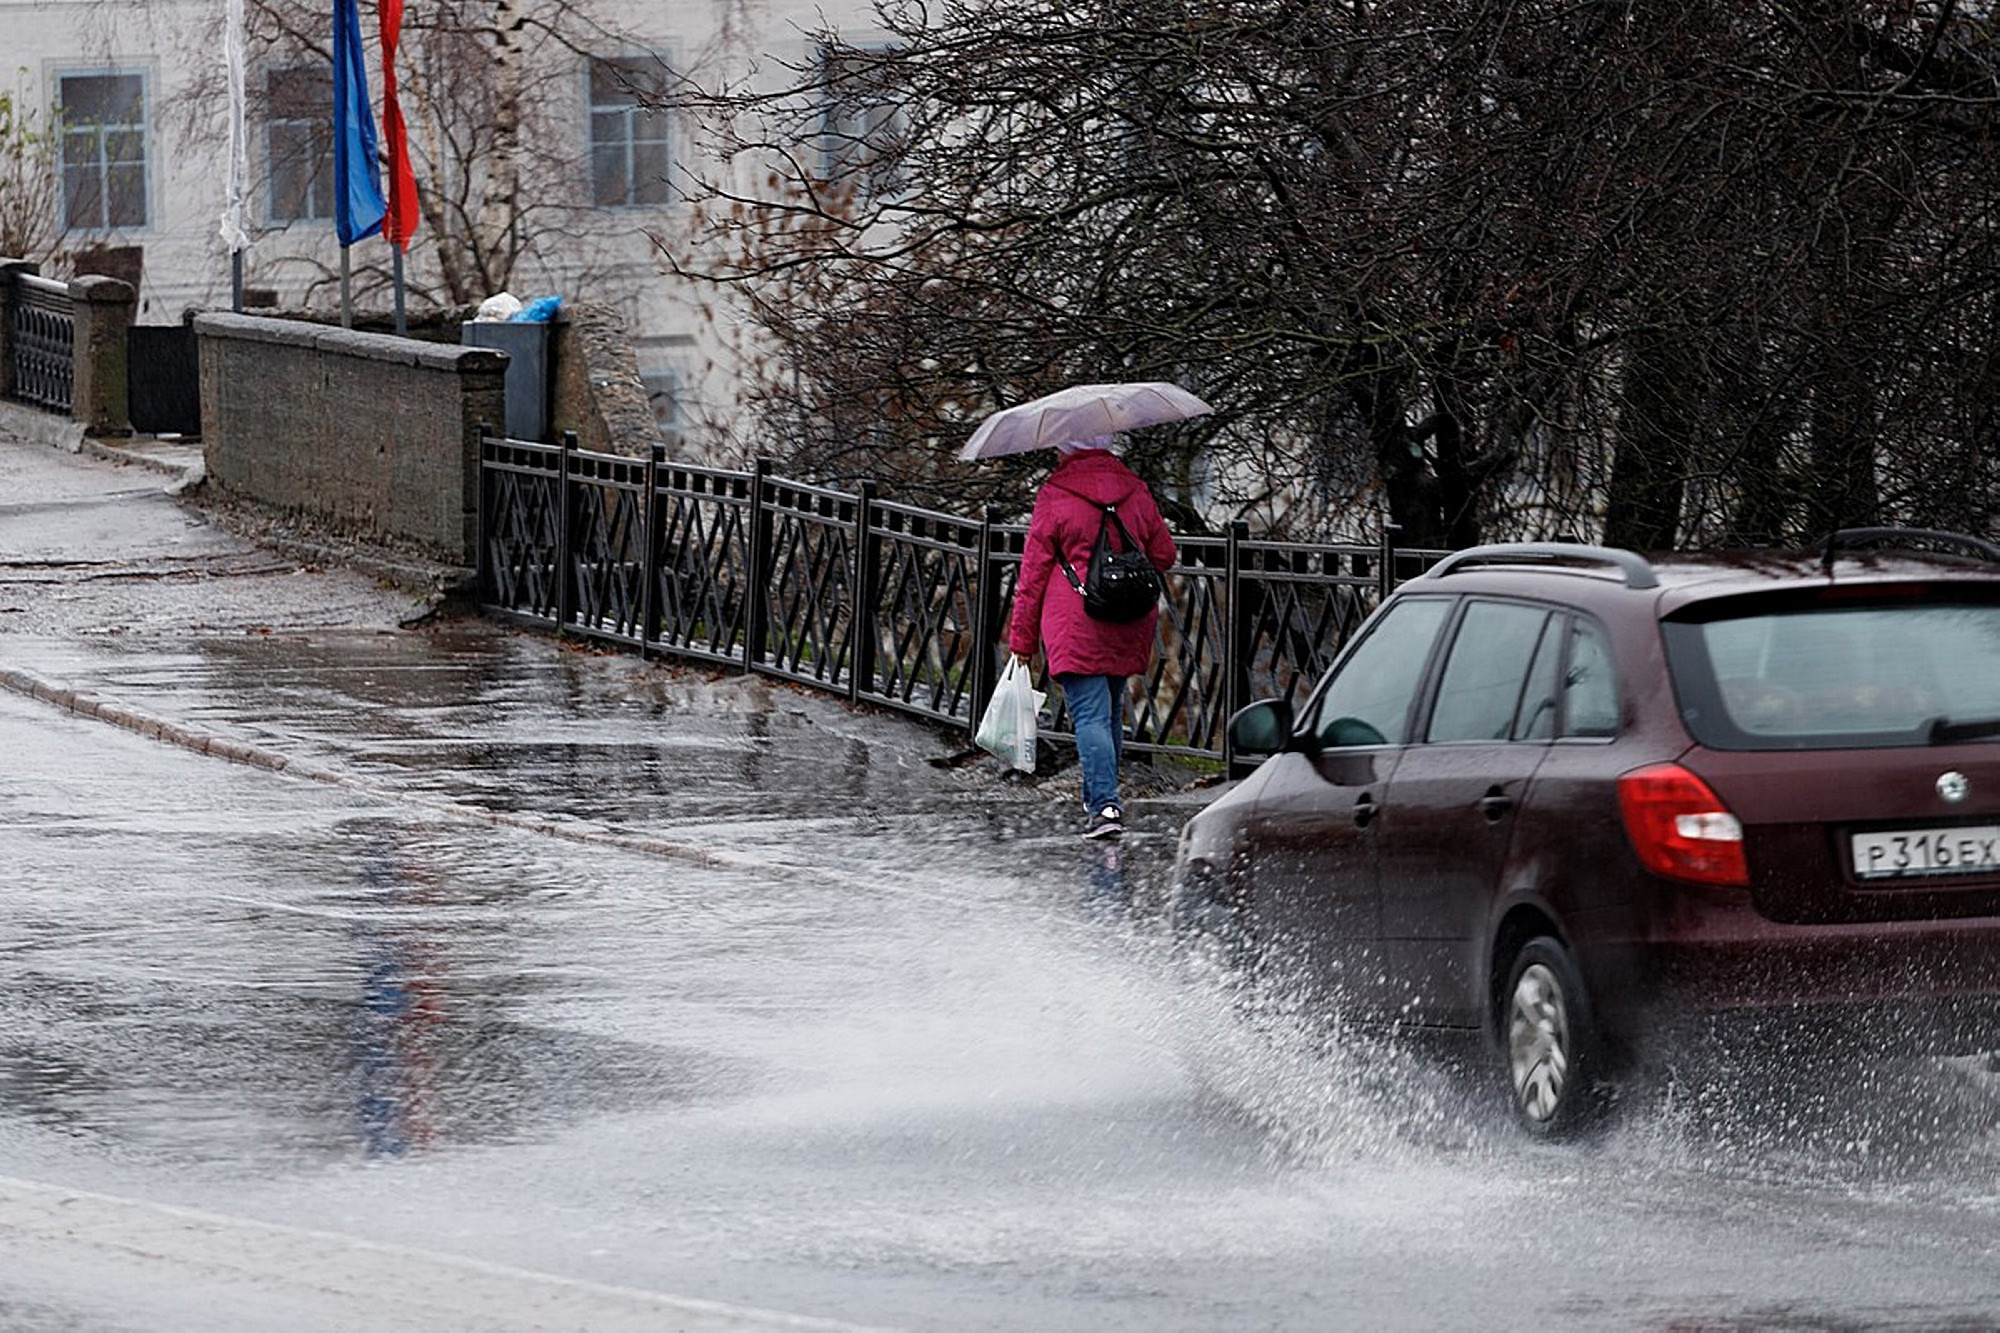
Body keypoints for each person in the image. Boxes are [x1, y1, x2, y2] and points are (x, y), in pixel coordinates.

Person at [1008, 435, 1177, 839]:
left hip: (1076, 618)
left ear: (1067, 450)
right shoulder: (1135, 489)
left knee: (1089, 714)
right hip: (1128, 615)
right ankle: (1098, 799)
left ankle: (1104, 807)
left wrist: (1022, 641)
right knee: (1109, 709)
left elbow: (1032, 576)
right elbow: (1165, 554)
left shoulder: (1055, 495)